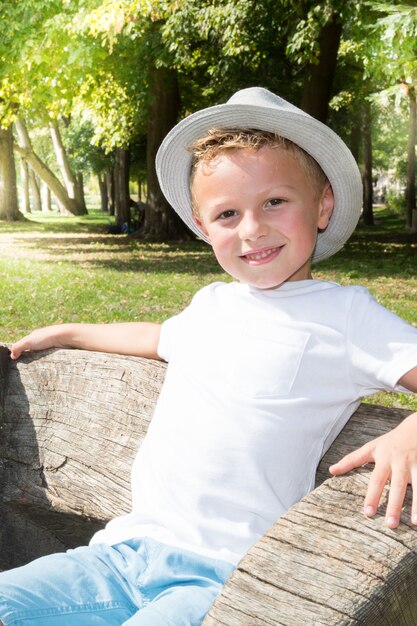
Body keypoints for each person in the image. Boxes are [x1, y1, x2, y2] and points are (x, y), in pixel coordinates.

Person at [1, 87, 417, 626]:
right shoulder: (212, 304)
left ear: (322, 205)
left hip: (221, 574)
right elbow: (159, 338)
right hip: (121, 553)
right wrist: (72, 331)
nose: (252, 229)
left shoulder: (344, 315)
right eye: (227, 213)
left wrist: (410, 430)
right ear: (202, 228)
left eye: (275, 201)